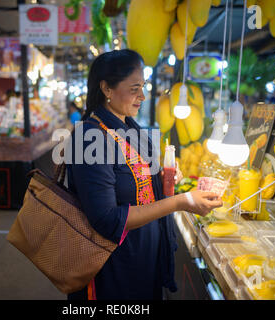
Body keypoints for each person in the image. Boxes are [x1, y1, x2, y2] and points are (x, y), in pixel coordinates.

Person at [66, 49, 222, 300]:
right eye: (134, 88)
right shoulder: (89, 138)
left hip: (141, 260)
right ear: (106, 89)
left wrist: (158, 182)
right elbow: (106, 218)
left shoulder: (127, 127)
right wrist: (181, 202)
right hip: (112, 271)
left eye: (144, 86)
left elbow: (130, 186)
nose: (143, 96)